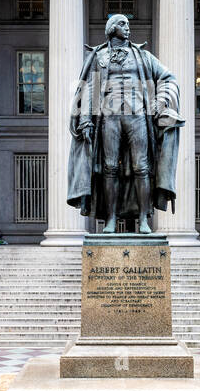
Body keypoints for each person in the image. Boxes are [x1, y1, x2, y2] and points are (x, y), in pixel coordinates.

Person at [67, 14, 182, 233]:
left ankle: (144, 219)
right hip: (109, 117)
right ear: (111, 29)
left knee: (142, 167)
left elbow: (168, 78)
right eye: (122, 24)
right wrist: (84, 120)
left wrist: (159, 101)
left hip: (137, 115)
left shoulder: (143, 56)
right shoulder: (98, 57)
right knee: (109, 168)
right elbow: (89, 89)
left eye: (128, 24)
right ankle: (110, 219)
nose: (127, 28)